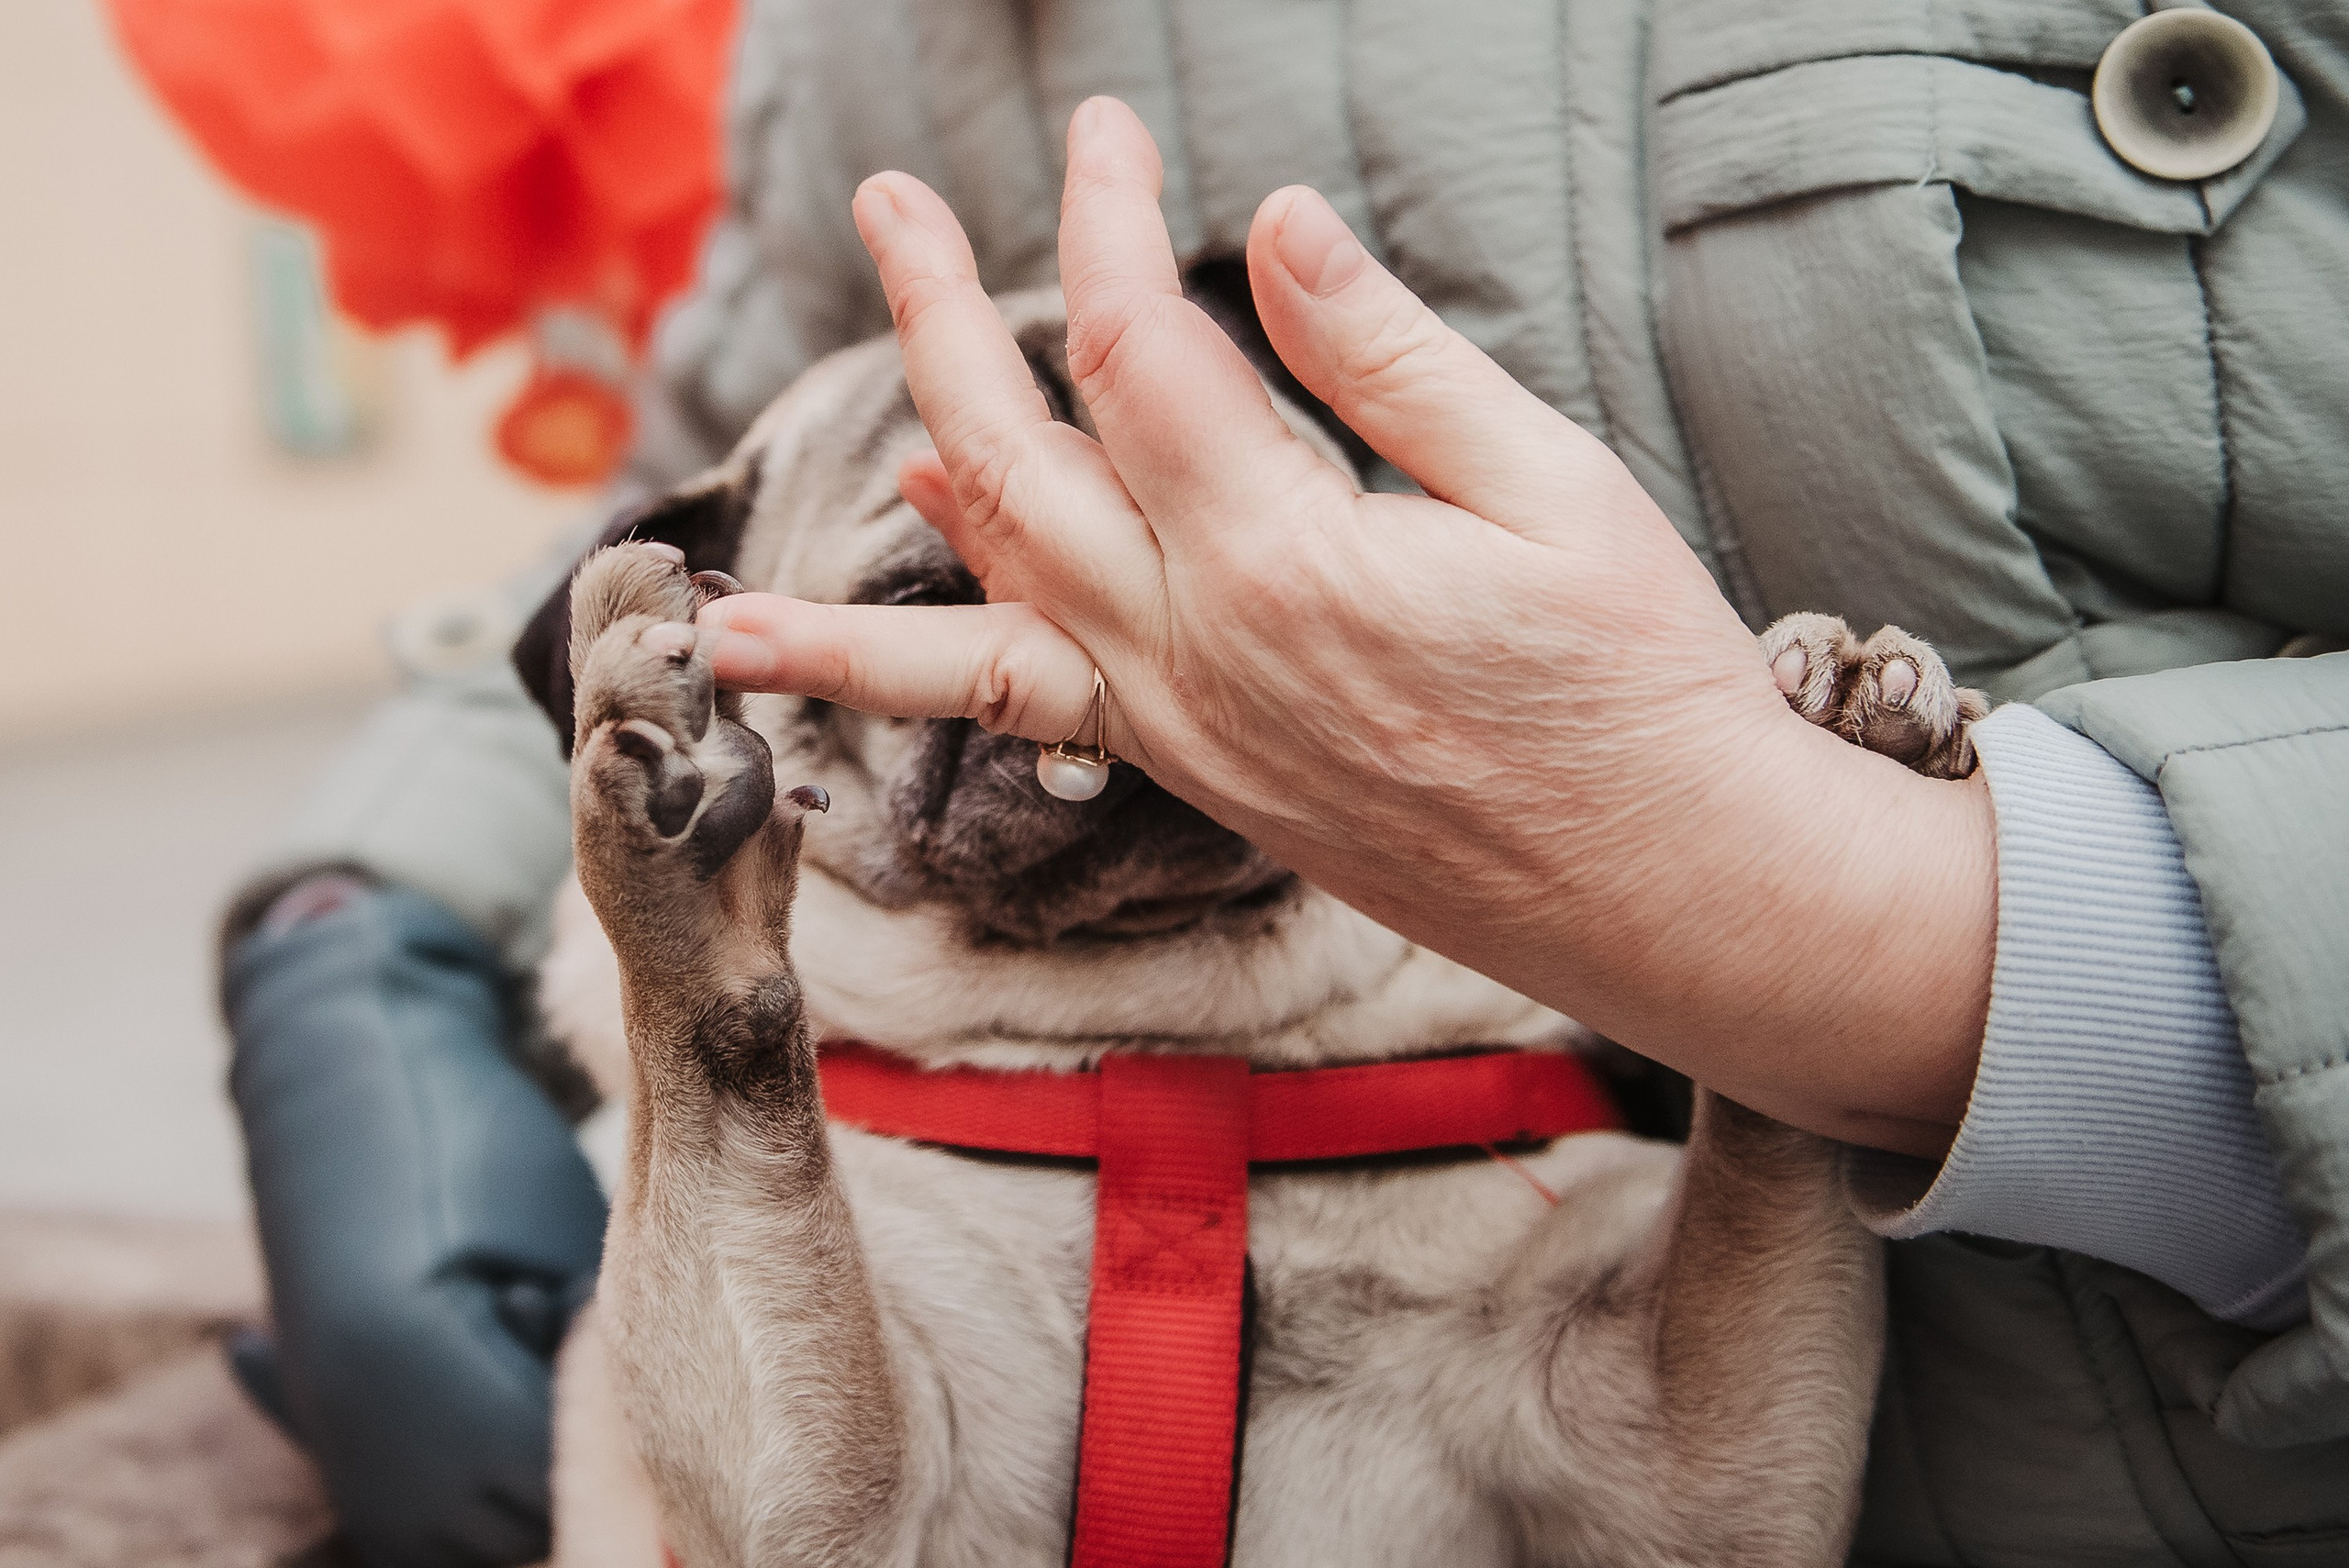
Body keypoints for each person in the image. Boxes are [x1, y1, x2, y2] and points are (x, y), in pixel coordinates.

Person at [219, 3, 2349, 1564]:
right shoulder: (854, 42)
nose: (1080, 641)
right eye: (955, 586)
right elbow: (689, 495)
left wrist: (1879, 938)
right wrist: (368, 906)